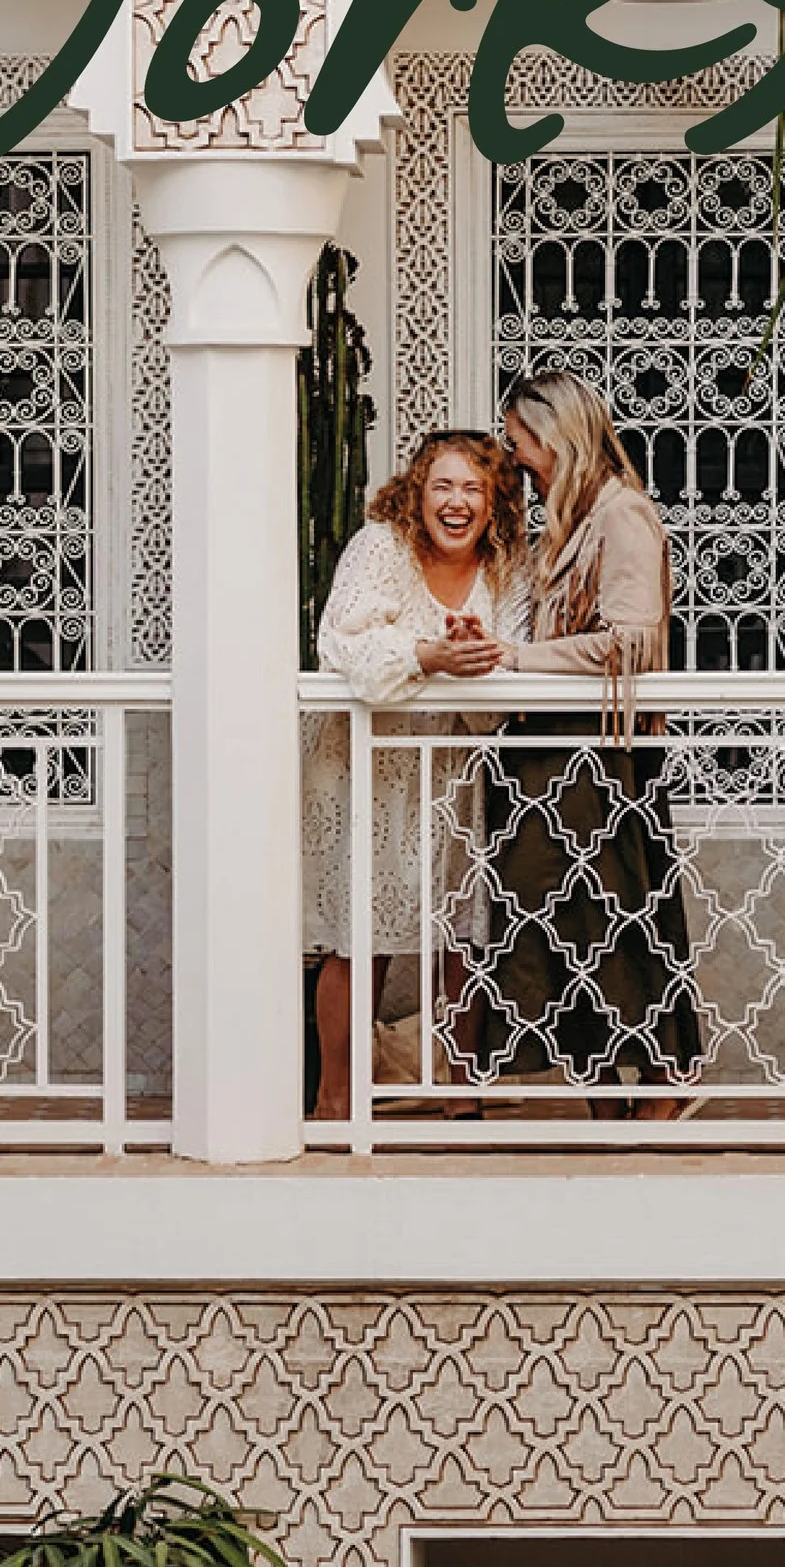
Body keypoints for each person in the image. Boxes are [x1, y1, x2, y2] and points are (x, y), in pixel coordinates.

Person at [476, 370, 705, 1106]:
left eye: (518, 443)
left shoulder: (621, 515)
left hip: (594, 752)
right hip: (549, 755)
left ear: (554, 436)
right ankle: (600, 1080)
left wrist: (521, 659)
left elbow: (632, 639)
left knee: (618, 909)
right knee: (562, 917)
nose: (513, 458)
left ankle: (665, 1076)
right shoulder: (570, 518)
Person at [302, 431, 532, 1120]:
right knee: (359, 931)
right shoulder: (381, 546)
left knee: (462, 928)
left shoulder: (507, 567)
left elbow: (512, 653)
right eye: (443, 486)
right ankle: (336, 1095)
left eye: (473, 489)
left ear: (493, 505)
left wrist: (477, 657)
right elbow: (344, 638)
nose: (456, 503)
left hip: (451, 769)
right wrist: (428, 654)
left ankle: (461, 1089)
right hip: (364, 768)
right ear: (417, 492)